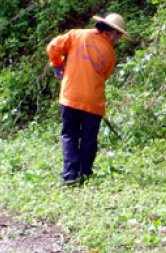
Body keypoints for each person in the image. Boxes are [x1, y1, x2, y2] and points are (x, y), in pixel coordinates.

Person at [46, 13, 130, 185]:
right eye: (119, 35)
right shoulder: (111, 54)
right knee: (88, 138)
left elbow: (52, 47)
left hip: (70, 96)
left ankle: (70, 175)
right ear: (112, 32)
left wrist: (57, 65)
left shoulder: (77, 35)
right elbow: (104, 76)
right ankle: (84, 172)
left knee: (70, 134)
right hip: (94, 101)